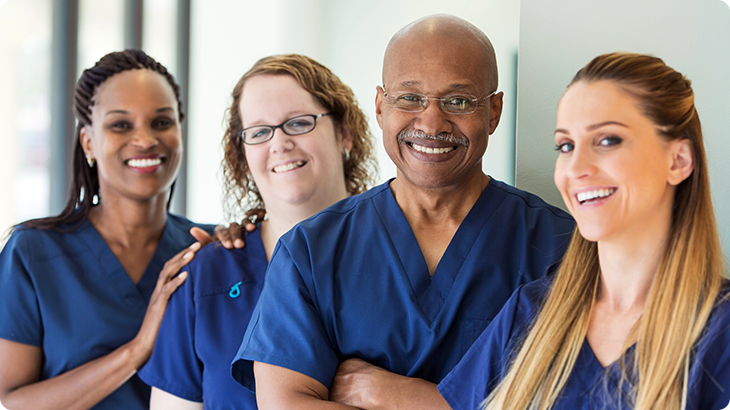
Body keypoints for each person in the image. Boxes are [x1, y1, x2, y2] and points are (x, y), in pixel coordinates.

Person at [231, 14, 575, 409]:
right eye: (410, 98)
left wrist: (401, 396)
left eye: (458, 101)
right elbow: (286, 405)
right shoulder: (310, 252)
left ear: (493, 112)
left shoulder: (558, 247)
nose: (431, 122)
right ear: (381, 106)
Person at [438, 53, 730, 410]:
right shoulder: (529, 313)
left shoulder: (720, 333)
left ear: (678, 161)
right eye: (566, 146)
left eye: (607, 140)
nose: (575, 168)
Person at [137, 54, 377, 410]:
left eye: (298, 123)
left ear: (344, 133)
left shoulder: (399, 257)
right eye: (260, 132)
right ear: (243, 153)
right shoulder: (204, 277)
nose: (279, 143)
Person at [0, 50, 219, 410]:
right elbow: (15, 400)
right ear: (88, 141)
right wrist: (138, 349)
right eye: (121, 125)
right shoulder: (32, 253)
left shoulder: (207, 248)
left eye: (162, 122)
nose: (146, 140)